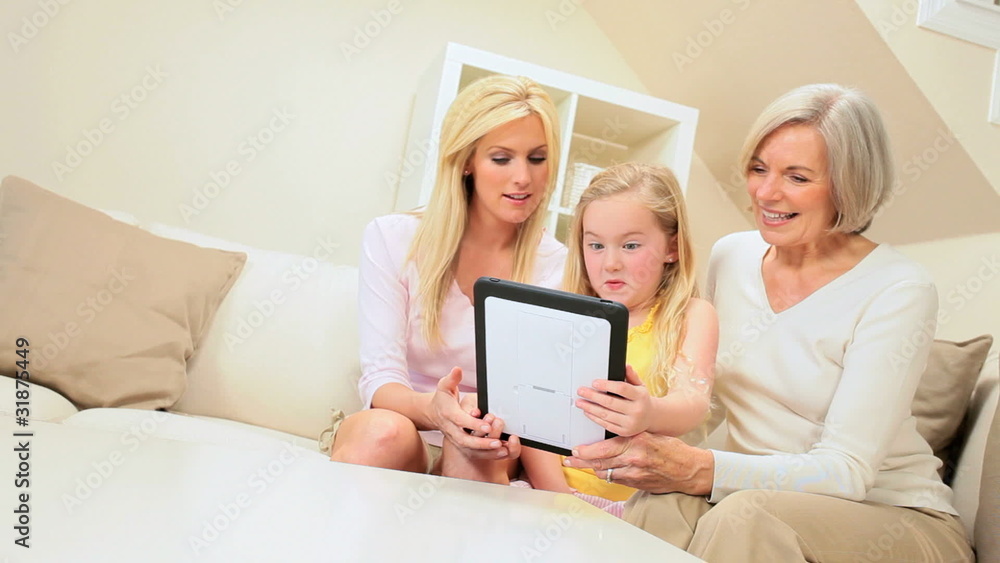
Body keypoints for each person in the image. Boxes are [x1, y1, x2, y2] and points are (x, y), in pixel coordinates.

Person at [562, 84, 974, 561]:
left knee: (746, 515)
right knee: (662, 501)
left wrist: (702, 468)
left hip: (893, 513)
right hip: (758, 493)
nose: (765, 192)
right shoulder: (732, 256)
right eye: (759, 169)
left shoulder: (899, 289)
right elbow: (705, 399)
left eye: (796, 177)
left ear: (849, 185)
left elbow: (847, 471)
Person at [328, 74, 567, 480]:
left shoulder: (559, 265)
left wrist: (488, 426)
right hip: (406, 419)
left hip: (490, 439)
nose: (523, 178)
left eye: (537, 158)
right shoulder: (392, 238)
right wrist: (437, 411)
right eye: (502, 158)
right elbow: (381, 377)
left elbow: (544, 396)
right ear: (467, 161)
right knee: (381, 435)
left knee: (474, 457)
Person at [517, 162, 717, 503]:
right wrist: (561, 498)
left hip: (639, 504)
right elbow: (534, 421)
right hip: (553, 492)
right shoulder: (563, 315)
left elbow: (693, 402)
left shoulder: (690, 315)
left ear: (672, 248)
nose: (610, 263)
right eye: (596, 246)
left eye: (630, 246)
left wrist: (649, 413)